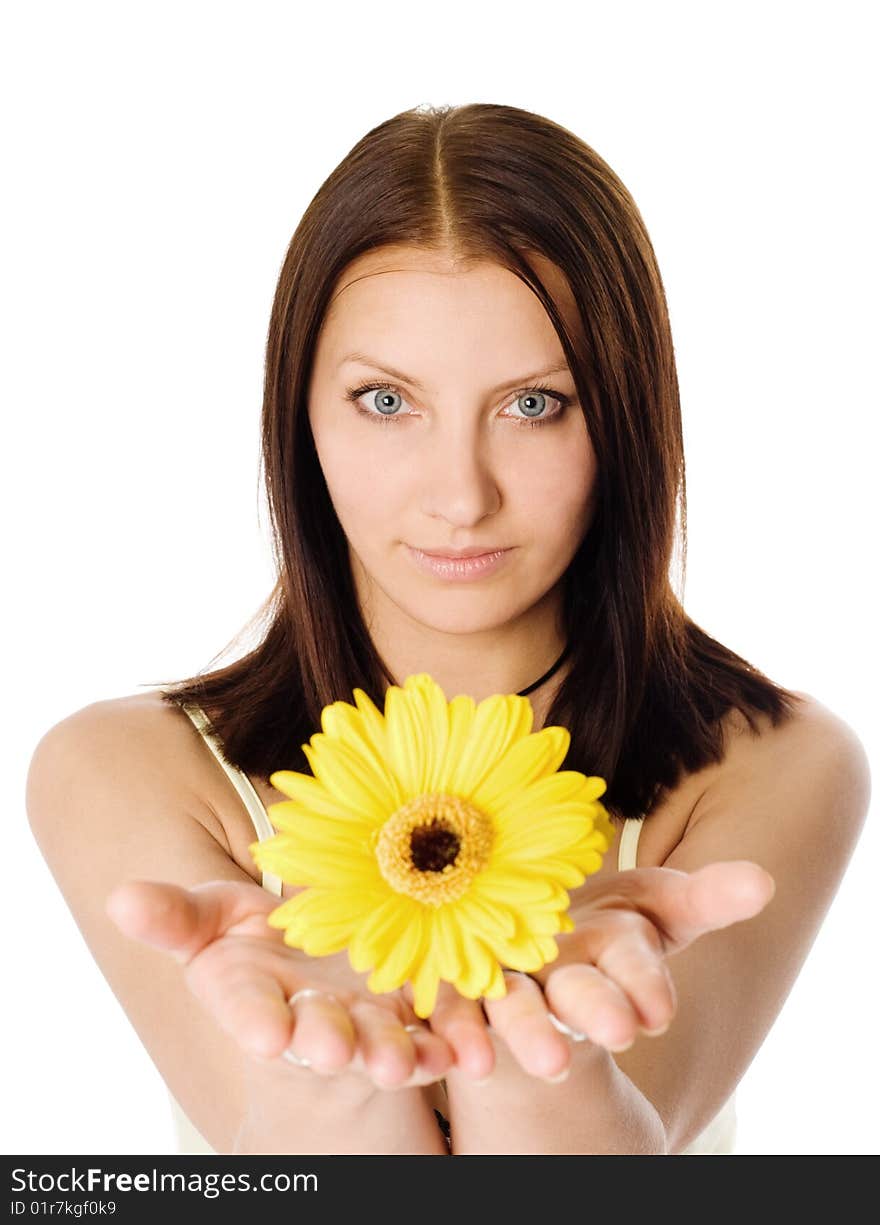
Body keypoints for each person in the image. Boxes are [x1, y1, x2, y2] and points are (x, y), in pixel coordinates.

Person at [25, 102, 870, 1156]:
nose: (459, 495)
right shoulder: (119, 770)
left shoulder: (777, 765)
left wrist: (535, 1047)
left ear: (626, 416)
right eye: (386, 401)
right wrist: (324, 1064)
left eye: (532, 405)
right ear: (299, 418)